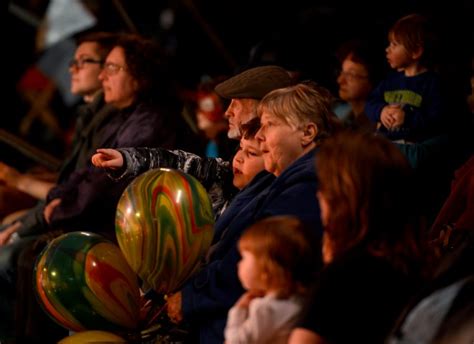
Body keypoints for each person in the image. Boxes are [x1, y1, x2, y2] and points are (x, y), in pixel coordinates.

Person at [0, 33, 191, 339]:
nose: (103, 75)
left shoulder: (151, 122)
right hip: (97, 219)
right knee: (23, 256)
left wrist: (59, 211)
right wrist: (54, 207)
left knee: (25, 258)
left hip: (126, 233)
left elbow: (101, 188)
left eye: (113, 68)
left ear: (140, 77)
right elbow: (80, 177)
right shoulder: (123, 117)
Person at [165, 82, 335, 344]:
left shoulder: (308, 188)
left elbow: (259, 260)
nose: (261, 136)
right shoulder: (277, 179)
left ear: (307, 133)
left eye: (270, 125)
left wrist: (191, 298)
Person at [91, 65, 295, 218]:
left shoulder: (273, 197)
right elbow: (183, 164)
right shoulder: (232, 172)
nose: (227, 112)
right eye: (243, 149)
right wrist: (128, 159)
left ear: (261, 108)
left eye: (236, 104)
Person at [288, 131, 431, 344]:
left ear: (343, 199)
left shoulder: (344, 275)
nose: (318, 195)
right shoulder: (419, 264)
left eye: (325, 187)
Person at [0, 32, 118, 222]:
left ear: (107, 69)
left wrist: (20, 181)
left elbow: (81, 197)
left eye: (84, 61)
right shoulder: (88, 117)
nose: (72, 69)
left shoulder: (109, 122)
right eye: (73, 62)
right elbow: (74, 181)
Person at [224, 216, 318, 344]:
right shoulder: (300, 303)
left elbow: (234, 342)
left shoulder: (266, 310)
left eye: (244, 258)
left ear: (266, 271)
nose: (238, 264)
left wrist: (238, 310)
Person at [365, 13, 445, 142]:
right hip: (383, 145)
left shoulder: (433, 84)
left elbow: (436, 120)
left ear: (416, 51)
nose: (387, 49)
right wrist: (381, 111)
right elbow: (370, 103)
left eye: (394, 44)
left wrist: (407, 118)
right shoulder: (389, 81)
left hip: (411, 149)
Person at [332, 38, 386, 131]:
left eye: (350, 75)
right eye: (342, 72)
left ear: (372, 81)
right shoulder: (340, 115)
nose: (340, 80)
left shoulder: (376, 127)